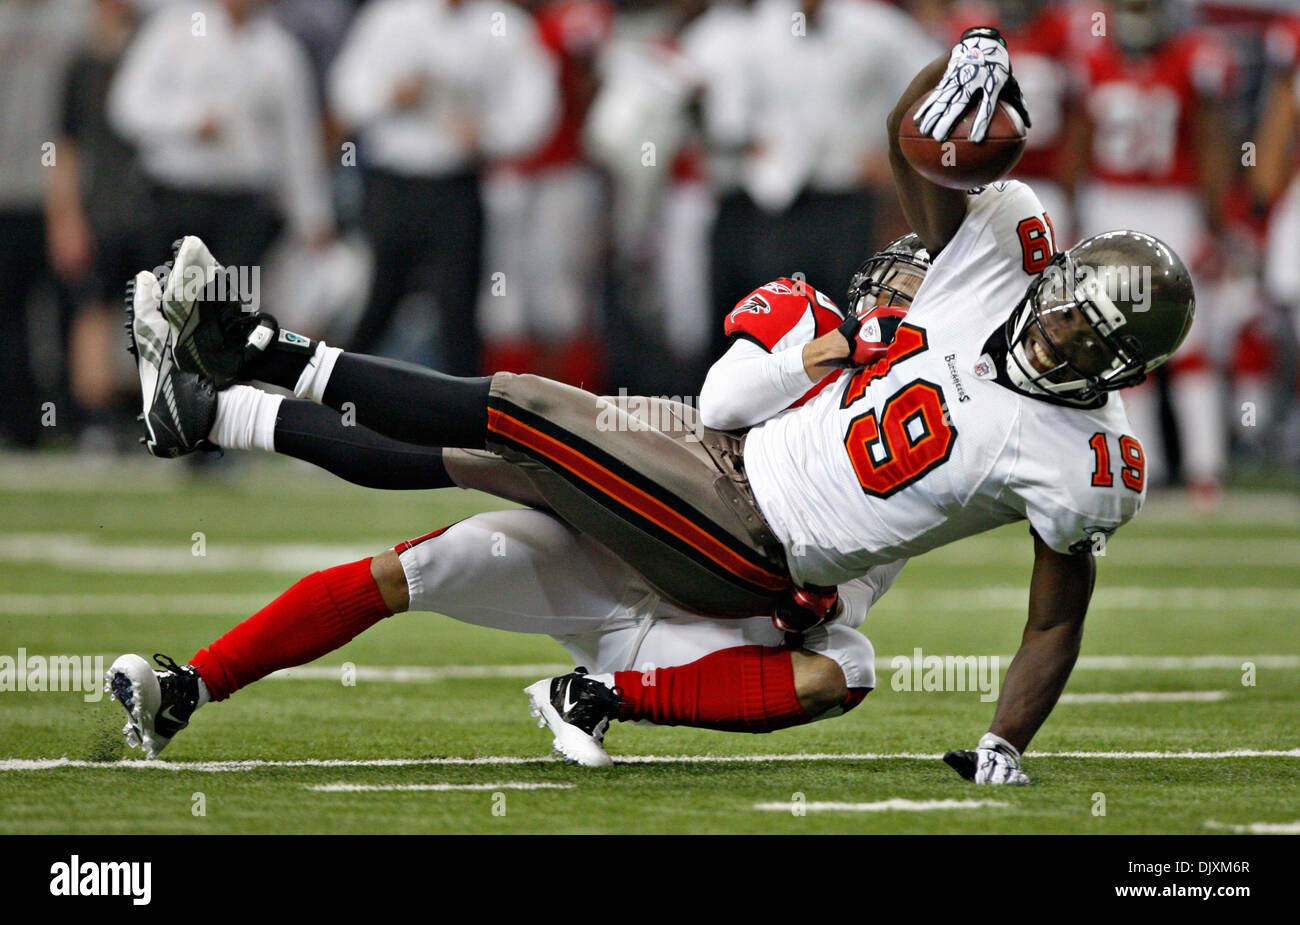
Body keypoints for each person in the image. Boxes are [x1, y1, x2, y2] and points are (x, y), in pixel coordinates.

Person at [116, 27, 1196, 786]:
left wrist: (1005, 743)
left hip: (740, 564)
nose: (1050, 334)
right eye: (1056, 312)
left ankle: (245, 356)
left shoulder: (1076, 459)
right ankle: (215, 433)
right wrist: (961, 64)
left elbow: (1054, 614)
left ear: (1117, 367)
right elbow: (728, 395)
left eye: (1079, 340)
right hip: (709, 479)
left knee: (526, 428)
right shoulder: (856, 316)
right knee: (466, 484)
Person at [107, 238, 923, 766]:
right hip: (647, 514)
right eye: (903, 284)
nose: (904, 300)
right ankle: (189, 675)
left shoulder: (915, 436)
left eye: (923, 293)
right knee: (422, 553)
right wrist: (827, 359)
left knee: (849, 666)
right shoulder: (821, 333)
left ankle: (601, 697)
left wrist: (816, 595)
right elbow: (723, 397)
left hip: (701, 623)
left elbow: (856, 579)